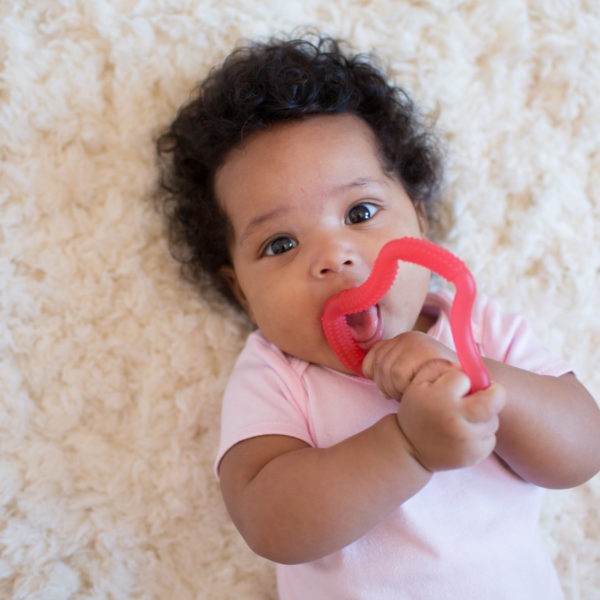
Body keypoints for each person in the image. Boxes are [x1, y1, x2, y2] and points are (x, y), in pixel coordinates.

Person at [156, 33, 600, 599]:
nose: (332, 256)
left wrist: (468, 374)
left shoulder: (478, 329)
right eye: (280, 244)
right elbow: (270, 523)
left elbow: (583, 449)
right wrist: (407, 448)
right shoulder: (277, 376)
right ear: (241, 293)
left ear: (417, 222)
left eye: (360, 212)